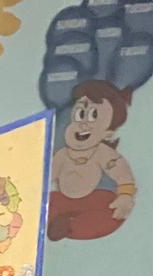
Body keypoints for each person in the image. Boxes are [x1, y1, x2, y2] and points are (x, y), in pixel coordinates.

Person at [47, 80, 136, 241]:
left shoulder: (102, 153)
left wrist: (125, 196)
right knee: (47, 202)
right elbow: (46, 177)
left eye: (93, 116)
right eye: (80, 115)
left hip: (93, 200)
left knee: (110, 212)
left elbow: (122, 175)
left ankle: (71, 226)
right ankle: (57, 223)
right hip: (65, 199)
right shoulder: (63, 155)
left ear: (108, 133)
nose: (83, 125)